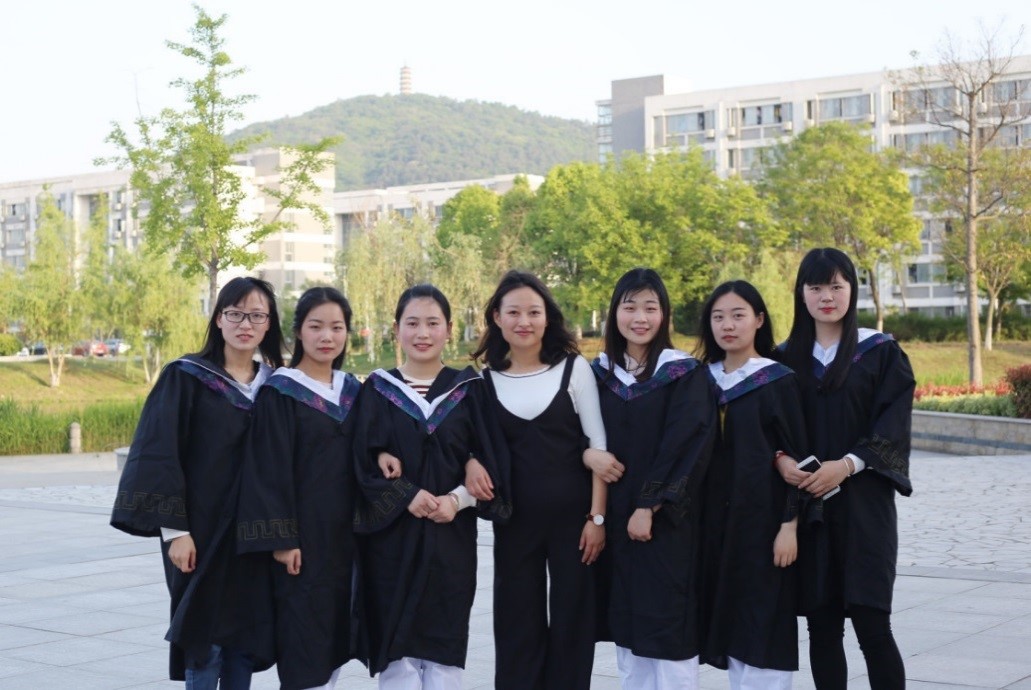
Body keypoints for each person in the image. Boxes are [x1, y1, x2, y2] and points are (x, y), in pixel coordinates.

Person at [111, 276, 285, 688]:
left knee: (244, 640)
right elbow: (159, 453)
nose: (245, 324)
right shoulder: (186, 376)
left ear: (269, 324)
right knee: (204, 642)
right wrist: (175, 532)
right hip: (201, 532)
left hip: (256, 534)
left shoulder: (278, 386)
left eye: (257, 315)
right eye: (235, 314)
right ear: (218, 319)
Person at [353, 284, 511, 690]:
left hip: (450, 539)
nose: (422, 333)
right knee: (397, 654)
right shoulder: (378, 389)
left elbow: (493, 459)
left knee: (444, 647)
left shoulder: (469, 389)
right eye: (412, 323)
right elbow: (361, 463)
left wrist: (457, 500)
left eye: (432, 323)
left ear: (449, 329)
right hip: (393, 542)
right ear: (396, 330)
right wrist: (406, 495)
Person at [777, 248, 914, 690]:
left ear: (852, 291)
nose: (826, 297)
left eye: (836, 286)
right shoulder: (783, 360)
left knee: (874, 626)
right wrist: (780, 460)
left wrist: (848, 465)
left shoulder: (880, 352)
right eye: (816, 287)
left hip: (865, 507)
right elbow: (767, 429)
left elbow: (893, 423)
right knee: (822, 628)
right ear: (801, 293)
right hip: (809, 508)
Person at [472, 270, 613, 690]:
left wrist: (597, 518)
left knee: (573, 622)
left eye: (534, 312)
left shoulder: (574, 369)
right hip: (514, 523)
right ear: (497, 317)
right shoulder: (484, 380)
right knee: (516, 623)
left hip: (575, 524)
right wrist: (469, 463)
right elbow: (471, 445)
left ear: (547, 317)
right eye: (514, 312)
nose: (524, 321)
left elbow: (598, 446)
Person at [589, 268, 716, 690]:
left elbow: (688, 443)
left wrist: (649, 505)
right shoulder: (598, 374)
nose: (640, 318)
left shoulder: (684, 374)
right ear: (615, 313)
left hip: (666, 524)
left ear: (664, 315)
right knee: (627, 629)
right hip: (614, 520)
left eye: (650, 307)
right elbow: (575, 433)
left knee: (669, 628)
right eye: (630, 307)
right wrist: (588, 455)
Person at [235, 286, 362, 690]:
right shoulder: (281, 392)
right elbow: (267, 469)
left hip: (347, 541)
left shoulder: (353, 390)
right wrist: (282, 539)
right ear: (298, 332)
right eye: (316, 326)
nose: (327, 337)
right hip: (302, 544)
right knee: (304, 640)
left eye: (337, 327)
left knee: (337, 637)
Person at [695, 280, 809, 690]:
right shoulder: (698, 380)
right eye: (718, 317)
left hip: (763, 524)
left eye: (738, 315)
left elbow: (798, 458)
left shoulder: (777, 380)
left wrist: (789, 526)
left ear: (759, 320)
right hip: (710, 525)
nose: (728, 325)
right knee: (727, 623)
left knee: (762, 624)